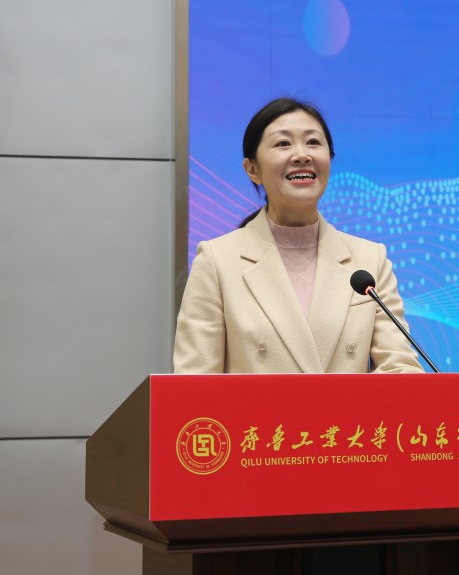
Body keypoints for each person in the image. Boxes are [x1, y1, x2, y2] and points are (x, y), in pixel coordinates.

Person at [173, 97, 424, 374]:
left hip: (345, 407)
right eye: (283, 144)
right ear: (252, 169)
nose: (302, 155)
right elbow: (194, 382)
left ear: (329, 160)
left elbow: (400, 368)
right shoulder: (217, 261)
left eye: (313, 142)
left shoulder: (369, 261)